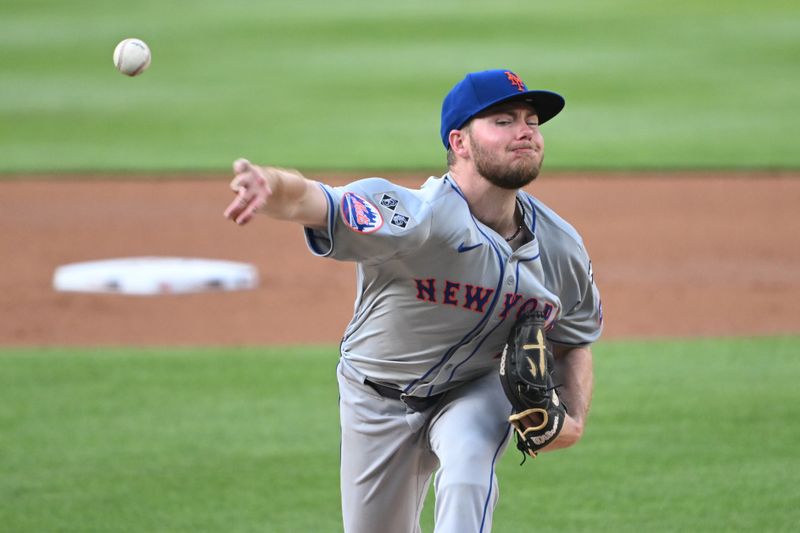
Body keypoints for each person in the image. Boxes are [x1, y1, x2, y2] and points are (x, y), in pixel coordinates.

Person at [223, 69, 603, 533]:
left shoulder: (561, 247)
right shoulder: (415, 219)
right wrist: (272, 185)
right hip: (375, 400)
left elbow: (573, 340)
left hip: (474, 390)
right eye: (503, 120)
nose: (525, 131)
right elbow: (316, 200)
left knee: (467, 472)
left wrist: (573, 419)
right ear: (459, 143)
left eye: (531, 121)